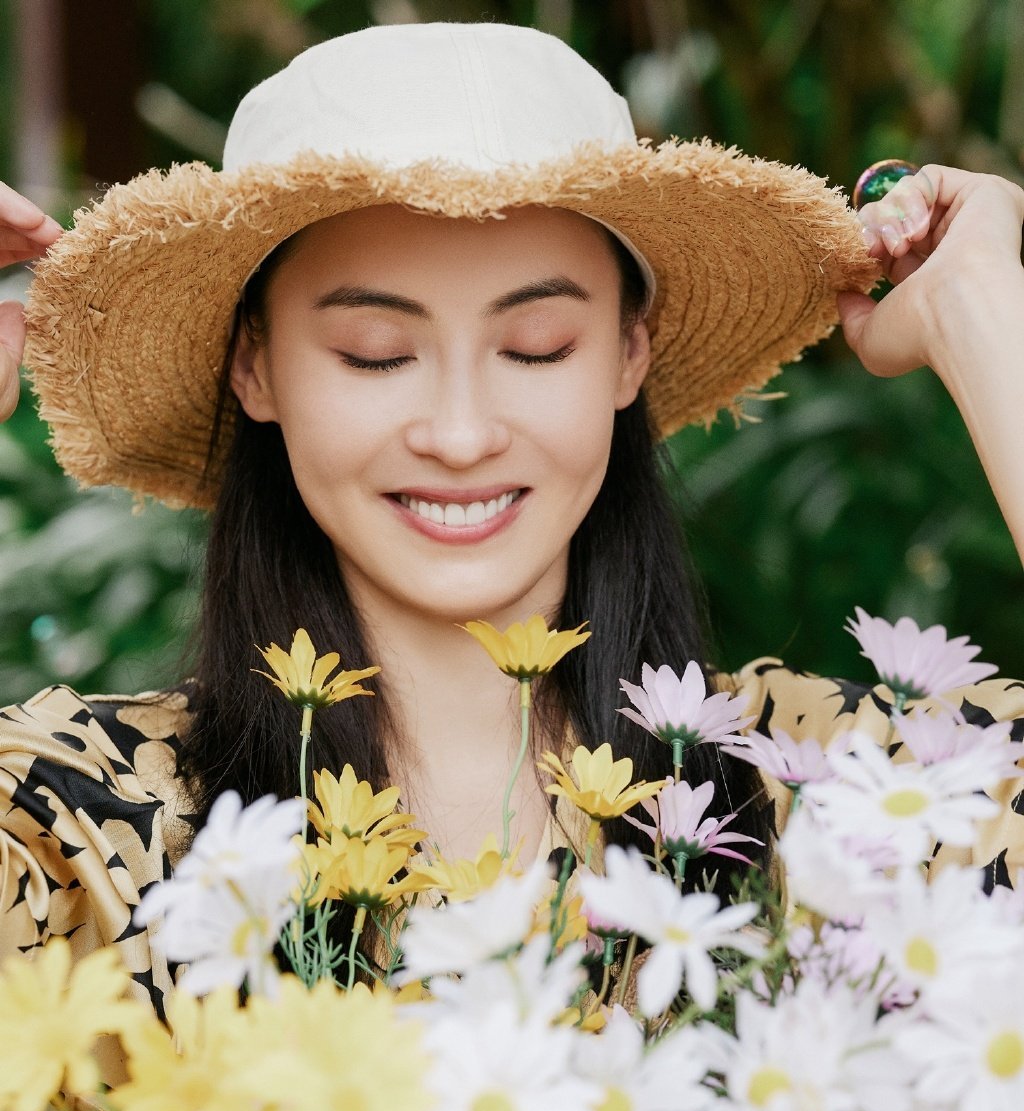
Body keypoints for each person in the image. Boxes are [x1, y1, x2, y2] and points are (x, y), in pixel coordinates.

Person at [0, 20, 1021, 1008]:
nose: (459, 432)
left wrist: (983, 318)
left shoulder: (829, 794)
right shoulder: (101, 823)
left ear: (630, 354)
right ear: (255, 365)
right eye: (374, 353)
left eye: (535, 346)